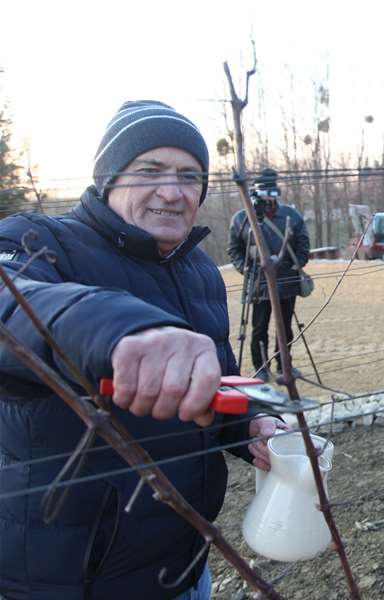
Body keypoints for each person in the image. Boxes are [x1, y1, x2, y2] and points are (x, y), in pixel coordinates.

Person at [0, 100, 284, 600]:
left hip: (185, 566)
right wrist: (122, 330)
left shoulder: (197, 271)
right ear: (109, 178)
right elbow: (12, 303)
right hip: (70, 583)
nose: (172, 192)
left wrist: (253, 421)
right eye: (149, 172)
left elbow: (218, 380)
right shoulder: (41, 241)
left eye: (189, 176)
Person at [227, 168, 310, 380]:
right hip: (258, 283)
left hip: (287, 281)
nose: (268, 199)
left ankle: (284, 366)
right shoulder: (242, 219)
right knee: (259, 328)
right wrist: (244, 268)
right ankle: (261, 368)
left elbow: (303, 245)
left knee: (286, 327)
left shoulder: (292, 216)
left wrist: (295, 266)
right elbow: (234, 249)